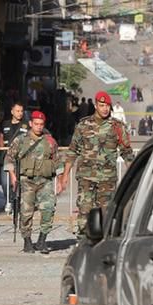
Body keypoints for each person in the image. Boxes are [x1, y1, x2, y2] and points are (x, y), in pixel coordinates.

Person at [59, 91, 134, 240]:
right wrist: (65, 175)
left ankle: (103, 241)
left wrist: (134, 174)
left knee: (106, 212)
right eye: (102, 105)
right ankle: (82, 241)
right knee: (85, 210)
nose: (105, 108)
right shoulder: (83, 125)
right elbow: (73, 151)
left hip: (107, 178)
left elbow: (127, 152)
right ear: (95, 105)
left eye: (107, 106)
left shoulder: (117, 127)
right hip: (86, 177)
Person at [4, 111, 63, 254]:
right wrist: (12, 176)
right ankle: (27, 241)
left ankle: (42, 240)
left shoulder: (50, 141)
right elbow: (9, 158)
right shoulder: (21, 140)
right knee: (26, 212)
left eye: (41, 124)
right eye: (36, 124)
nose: (38, 127)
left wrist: (60, 181)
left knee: (48, 209)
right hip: (27, 181)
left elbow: (57, 161)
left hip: (45, 181)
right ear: (30, 124)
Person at [0, 102, 29, 210]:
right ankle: (9, 200)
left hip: (20, 158)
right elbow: (1, 136)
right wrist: (2, 149)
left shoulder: (26, 125)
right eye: (17, 111)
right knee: (5, 182)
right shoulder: (5, 124)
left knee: (19, 182)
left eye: (21, 111)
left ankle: (18, 202)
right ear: (12, 112)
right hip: (6, 157)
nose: (20, 113)